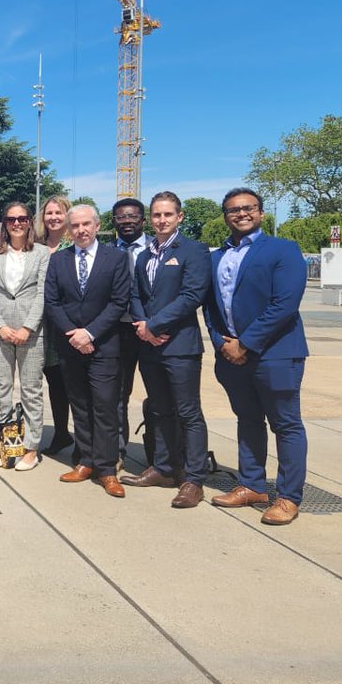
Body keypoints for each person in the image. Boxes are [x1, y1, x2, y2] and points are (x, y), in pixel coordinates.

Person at [202, 187, 309, 526]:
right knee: (247, 420)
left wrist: (244, 344)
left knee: (286, 424)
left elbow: (284, 305)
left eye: (248, 208)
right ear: (225, 216)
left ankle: (289, 497)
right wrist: (222, 342)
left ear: (261, 213)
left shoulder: (283, 250)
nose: (241, 213)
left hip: (276, 354)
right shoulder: (215, 257)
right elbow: (210, 307)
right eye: (233, 209)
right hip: (231, 356)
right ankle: (252, 485)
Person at [121, 191, 212, 509]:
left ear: (179, 217)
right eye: (157, 215)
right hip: (150, 345)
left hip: (180, 345)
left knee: (188, 413)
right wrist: (143, 326)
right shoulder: (146, 254)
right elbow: (135, 294)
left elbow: (192, 295)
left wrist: (155, 326)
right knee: (158, 409)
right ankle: (162, 467)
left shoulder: (194, 250)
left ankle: (193, 478)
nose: (162, 220)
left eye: (168, 215)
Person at [45, 204, 131, 498]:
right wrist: (74, 334)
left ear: (97, 226)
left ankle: (107, 469)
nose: (80, 230)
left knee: (105, 408)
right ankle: (86, 461)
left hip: (103, 345)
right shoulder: (58, 261)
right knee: (79, 406)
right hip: (70, 346)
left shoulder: (116, 259)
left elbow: (119, 302)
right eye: (75, 225)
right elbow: (52, 302)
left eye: (86, 224)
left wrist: (90, 332)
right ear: (69, 230)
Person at [0, 201, 50, 471]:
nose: (17, 223)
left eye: (22, 219)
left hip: (30, 333)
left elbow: (43, 293)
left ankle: (31, 448)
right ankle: (6, 447)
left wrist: (28, 327)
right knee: (2, 391)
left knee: (31, 391)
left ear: (30, 222)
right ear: (4, 224)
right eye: (11, 219)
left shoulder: (42, 253)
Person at [111, 198, 149, 458]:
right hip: (117, 332)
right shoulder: (106, 252)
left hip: (153, 331)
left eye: (132, 217)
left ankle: (161, 456)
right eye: (121, 218)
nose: (127, 222)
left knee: (159, 394)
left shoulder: (158, 249)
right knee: (118, 394)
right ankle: (118, 451)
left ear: (142, 220)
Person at [38, 195, 74, 455]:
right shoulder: (37, 247)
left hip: (68, 323)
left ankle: (81, 438)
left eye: (59, 213)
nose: (53, 218)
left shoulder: (75, 246)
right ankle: (61, 432)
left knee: (73, 382)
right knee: (55, 382)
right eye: (49, 213)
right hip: (42, 326)